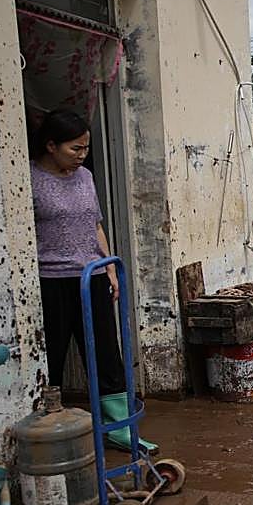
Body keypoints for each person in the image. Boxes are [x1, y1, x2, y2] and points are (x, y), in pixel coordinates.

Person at [29, 109, 157, 453]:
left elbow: (95, 224)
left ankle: (118, 429)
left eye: (86, 148)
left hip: (92, 277)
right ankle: (47, 432)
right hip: (50, 282)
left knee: (105, 354)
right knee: (50, 356)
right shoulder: (27, 179)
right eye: (75, 148)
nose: (82, 155)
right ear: (51, 145)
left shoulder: (85, 176)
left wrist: (109, 266)